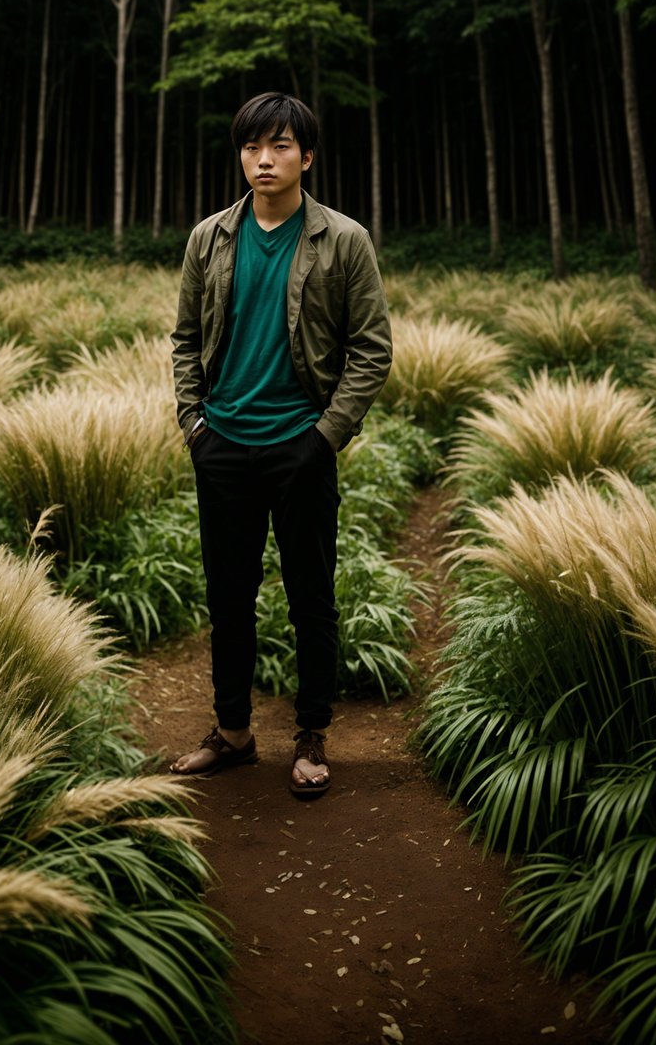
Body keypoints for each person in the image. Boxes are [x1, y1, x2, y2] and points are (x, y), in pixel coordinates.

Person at [169, 92, 392, 797]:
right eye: (251, 147)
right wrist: (194, 424)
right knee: (229, 595)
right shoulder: (209, 238)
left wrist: (324, 438)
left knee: (310, 597)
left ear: (308, 156)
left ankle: (312, 736)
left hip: (301, 448)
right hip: (224, 445)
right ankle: (232, 732)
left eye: (281, 146)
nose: (264, 159)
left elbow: (371, 350)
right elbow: (182, 341)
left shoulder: (343, 240)